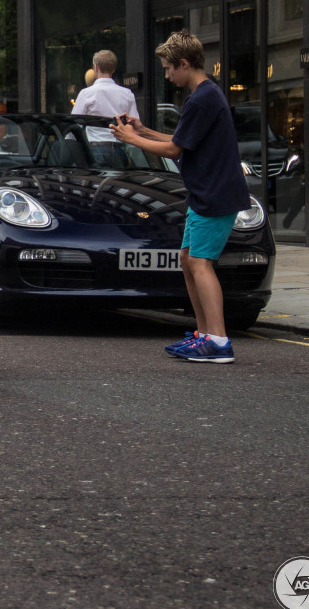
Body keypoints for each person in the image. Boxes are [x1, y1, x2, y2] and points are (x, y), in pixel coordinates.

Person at [110, 30, 250, 364]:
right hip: (206, 193)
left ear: (184, 64)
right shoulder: (204, 95)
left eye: (169, 69)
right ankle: (204, 335)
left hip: (214, 195)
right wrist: (143, 130)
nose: (168, 75)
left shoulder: (202, 98)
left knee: (200, 263)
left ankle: (217, 340)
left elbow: (173, 149)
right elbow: (183, 139)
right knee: (188, 260)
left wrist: (131, 140)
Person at [73, 49, 139, 164]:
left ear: (95, 68)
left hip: (94, 150)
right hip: (120, 150)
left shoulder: (86, 94)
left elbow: (74, 125)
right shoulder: (127, 94)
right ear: (113, 69)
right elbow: (135, 125)